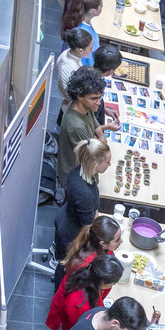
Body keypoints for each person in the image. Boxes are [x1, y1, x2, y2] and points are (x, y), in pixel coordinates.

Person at [52, 136, 110, 265]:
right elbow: (87, 226)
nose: (109, 164)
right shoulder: (84, 193)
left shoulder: (77, 171)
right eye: (107, 162)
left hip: (65, 218)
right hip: (72, 234)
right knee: (65, 263)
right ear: (95, 163)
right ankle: (56, 262)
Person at [46, 252, 123, 330]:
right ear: (102, 282)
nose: (112, 286)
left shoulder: (90, 277)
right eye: (113, 283)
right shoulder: (80, 304)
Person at [57, 67, 108, 185]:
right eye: (94, 98)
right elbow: (96, 155)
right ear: (80, 96)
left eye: (100, 97)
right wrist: (99, 140)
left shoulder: (85, 106)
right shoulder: (76, 126)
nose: (99, 103)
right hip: (77, 179)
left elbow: (98, 131)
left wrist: (97, 138)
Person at [58, 214, 122, 286]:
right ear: (102, 243)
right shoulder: (85, 265)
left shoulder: (101, 247)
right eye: (117, 240)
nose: (121, 241)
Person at [61, 0, 102, 64]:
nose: (102, 8)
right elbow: (87, 62)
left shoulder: (77, 19)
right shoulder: (85, 35)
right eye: (101, 6)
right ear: (93, 11)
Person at [55, 26, 94, 106]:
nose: (92, 50)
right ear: (81, 51)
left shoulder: (67, 52)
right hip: (73, 101)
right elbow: (76, 95)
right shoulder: (72, 68)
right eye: (90, 48)